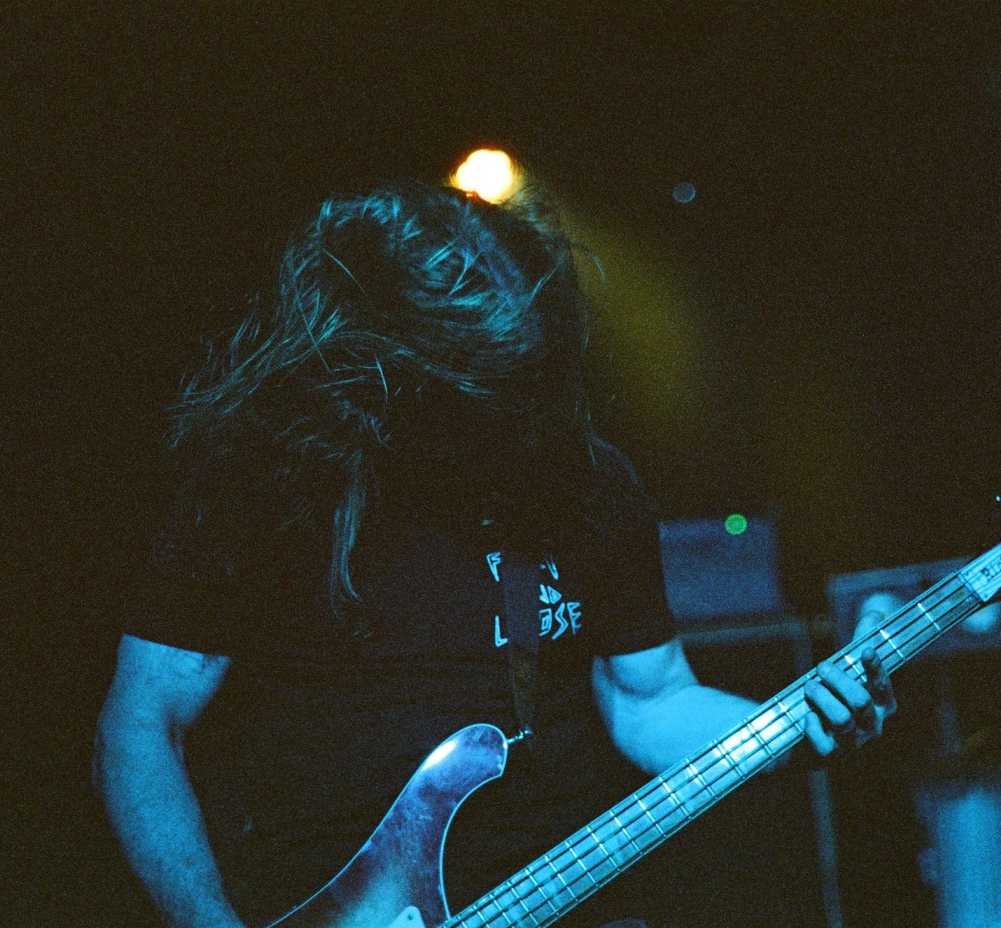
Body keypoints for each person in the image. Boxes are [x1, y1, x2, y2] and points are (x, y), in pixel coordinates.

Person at [94, 180, 895, 928]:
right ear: (395, 368)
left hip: (562, 894)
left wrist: (788, 726)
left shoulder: (584, 479)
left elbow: (651, 700)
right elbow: (143, 720)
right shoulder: (269, 478)